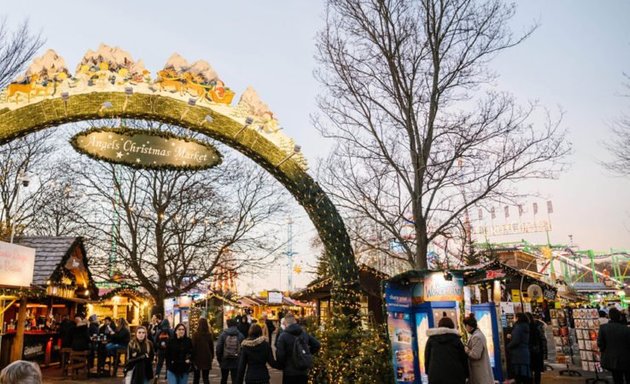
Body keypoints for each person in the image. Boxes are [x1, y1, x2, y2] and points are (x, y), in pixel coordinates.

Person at [275, 313, 321, 384]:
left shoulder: (283, 336)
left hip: (289, 371)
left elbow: (280, 355)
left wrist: (282, 365)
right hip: (303, 370)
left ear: (286, 323)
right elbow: (317, 345)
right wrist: (307, 354)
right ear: (295, 321)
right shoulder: (304, 333)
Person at [424, 316, 468, 384]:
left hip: (435, 376)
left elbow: (427, 357)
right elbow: (463, 359)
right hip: (455, 376)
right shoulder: (456, 340)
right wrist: (467, 374)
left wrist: (428, 372)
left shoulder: (431, 340)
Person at [598, 308, 630, 384]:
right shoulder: (626, 329)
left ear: (609, 316)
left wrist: (605, 351)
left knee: (617, 379)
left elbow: (600, 344)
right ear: (620, 317)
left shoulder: (603, 328)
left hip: (611, 359)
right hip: (627, 359)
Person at [463, 315, 493, 384]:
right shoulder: (476, 335)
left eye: (465, 326)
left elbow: (476, 355)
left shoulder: (477, 337)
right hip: (478, 372)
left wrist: (466, 349)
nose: (465, 329)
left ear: (468, 326)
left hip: (479, 372)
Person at [216, 318, 245, 384]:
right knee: (235, 379)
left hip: (225, 360)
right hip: (236, 360)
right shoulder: (240, 335)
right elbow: (243, 349)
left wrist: (219, 359)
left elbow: (218, 348)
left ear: (228, 325)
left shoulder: (223, 335)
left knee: (224, 378)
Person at [507, 313, 531, 384]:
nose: (514, 319)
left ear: (518, 318)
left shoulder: (518, 327)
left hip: (518, 354)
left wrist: (508, 346)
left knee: (519, 375)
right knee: (524, 375)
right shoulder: (525, 326)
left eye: (515, 317)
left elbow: (516, 341)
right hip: (524, 353)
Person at [192, 318, 215, 384]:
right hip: (207, 358)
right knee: (206, 377)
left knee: (196, 377)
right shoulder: (209, 335)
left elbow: (193, 347)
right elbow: (211, 347)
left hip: (197, 358)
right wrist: (212, 357)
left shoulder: (195, 335)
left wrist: (192, 358)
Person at [154, 318, 172, 382]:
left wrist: (158, 347)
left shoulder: (159, 331)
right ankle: (167, 377)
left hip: (160, 350)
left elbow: (155, 341)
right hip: (169, 351)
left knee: (159, 364)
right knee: (168, 364)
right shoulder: (170, 331)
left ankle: (157, 375)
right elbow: (173, 341)